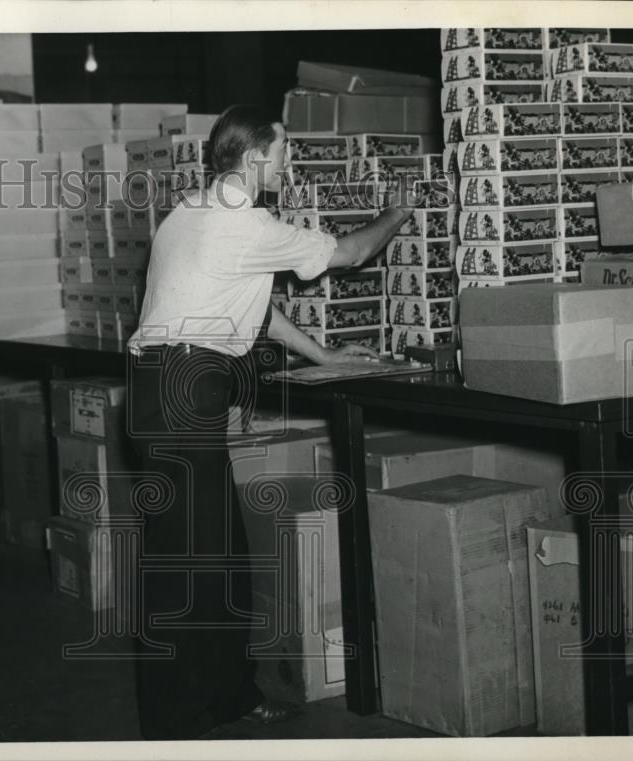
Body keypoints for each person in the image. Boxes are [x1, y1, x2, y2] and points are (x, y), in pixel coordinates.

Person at [124, 105, 414, 740]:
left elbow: (251, 309)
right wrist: (400, 209)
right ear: (255, 159)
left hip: (166, 390)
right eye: (282, 151)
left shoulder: (189, 214)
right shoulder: (247, 222)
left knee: (223, 554)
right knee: (184, 567)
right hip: (182, 390)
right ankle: (172, 722)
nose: (289, 161)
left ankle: (230, 696)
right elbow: (351, 251)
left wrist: (325, 354)